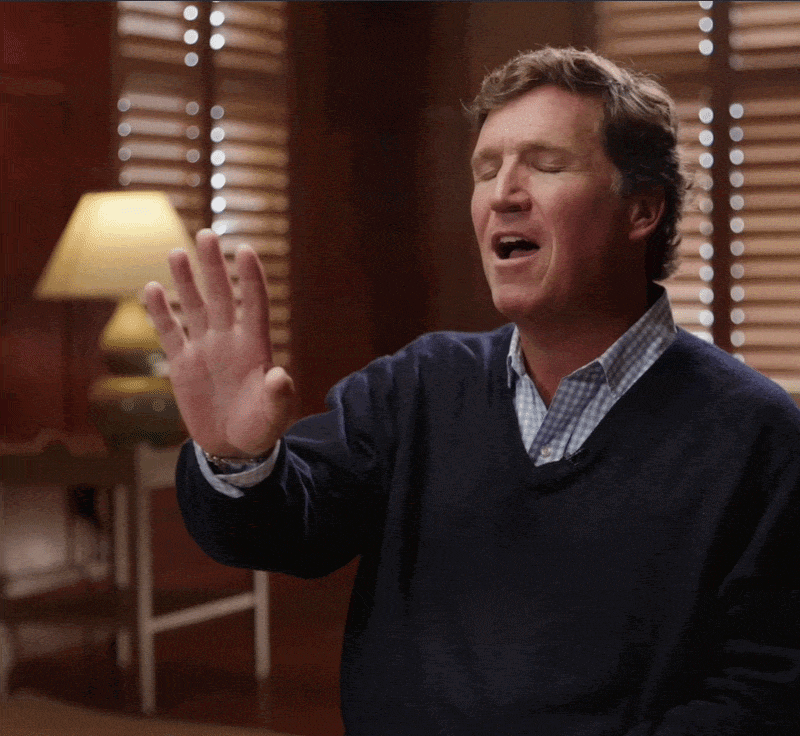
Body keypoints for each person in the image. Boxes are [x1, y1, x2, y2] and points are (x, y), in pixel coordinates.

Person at [144, 47, 800, 735]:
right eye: (486, 170)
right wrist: (237, 458)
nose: (503, 193)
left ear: (641, 210)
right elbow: (284, 530)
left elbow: (763, 694)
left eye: (546, 165)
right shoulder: (418, 386)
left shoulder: (756, 433)